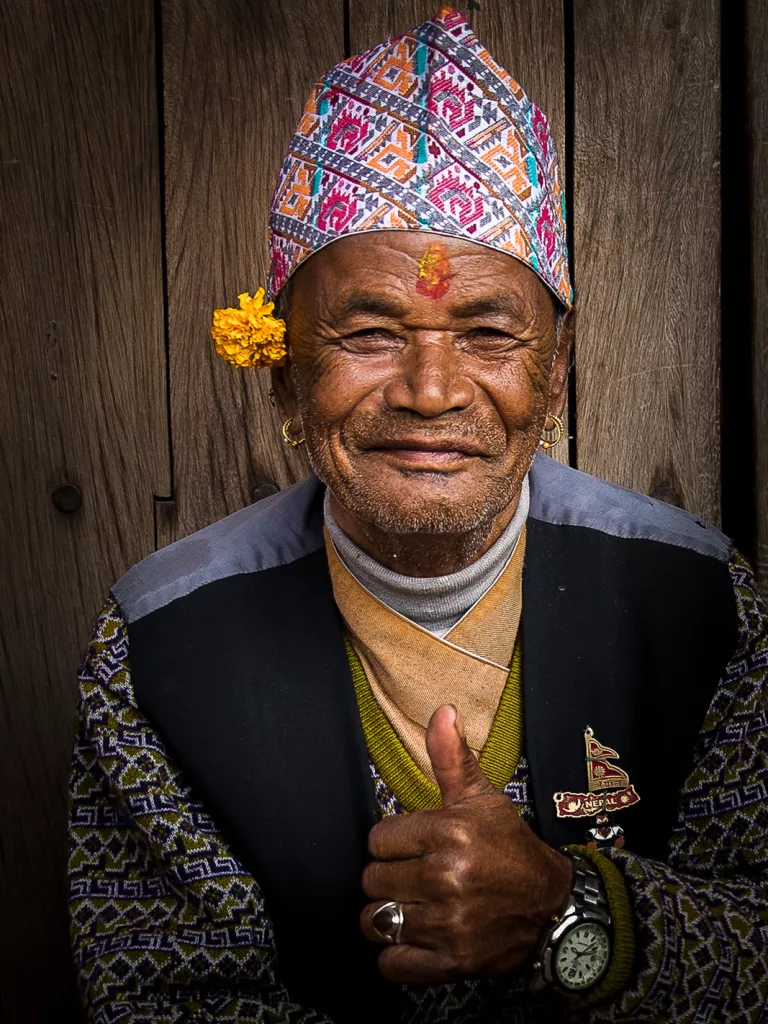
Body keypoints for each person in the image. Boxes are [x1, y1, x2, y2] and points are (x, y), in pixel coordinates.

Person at [68, 7, 768, 1023]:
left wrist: (573, 914)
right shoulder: (157, 652)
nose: (432, 390)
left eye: (489, 332)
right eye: (369, 332)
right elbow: (162, 995)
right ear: (284, 377)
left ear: (555, 371)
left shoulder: (706, 606)